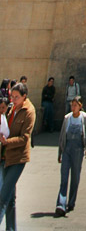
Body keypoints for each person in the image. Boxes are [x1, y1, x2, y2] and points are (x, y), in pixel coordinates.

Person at [0, 82, 36, 228]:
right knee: (10, 198)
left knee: (3, 196)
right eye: (12, 96)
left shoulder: (29, 111)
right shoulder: (11, 109)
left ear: (24, 96)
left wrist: (7, 141)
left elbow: (25, 138)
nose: (13, 100)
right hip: (5, 156)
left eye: (16, 97)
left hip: (18, 157)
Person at [55, 97, 86, 217]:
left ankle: (71, 202)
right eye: (72, 105)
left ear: (80, 106)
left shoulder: (84, 117)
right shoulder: (67, 118)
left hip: (78, 149)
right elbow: (62, 136)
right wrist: (60, 153)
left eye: (75, 105)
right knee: (64, 177)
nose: (73, 107)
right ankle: (61, 204)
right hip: (67, 149)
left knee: (75, 177)